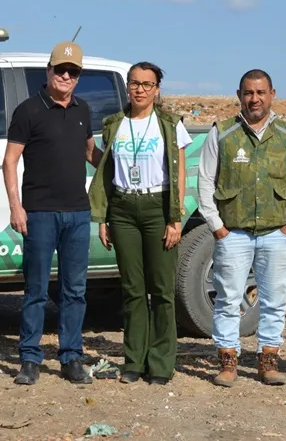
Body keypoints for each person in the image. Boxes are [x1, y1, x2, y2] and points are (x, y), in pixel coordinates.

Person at [197, 69, 286, 388]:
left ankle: (267, 363)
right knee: (228, 299)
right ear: (239, 95)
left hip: (277, 233)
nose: (255, 99)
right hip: (233, 233)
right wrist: (218, 226)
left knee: (274, 301)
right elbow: (205, 182)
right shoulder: (222, 133)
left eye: (261, 92)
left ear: (272, 94)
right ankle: (228, 363)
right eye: (248, 93)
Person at [3, 41, 103, 385]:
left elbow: (92, 153)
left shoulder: (83, 110)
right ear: (48, 71)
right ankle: (30, 358)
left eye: (73, 72)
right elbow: (10, 161)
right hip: (40, 213)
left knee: (75, 290)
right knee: (36, 290)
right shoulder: (29, 110)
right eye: (60, 69)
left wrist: (123, 166)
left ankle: (71, 357)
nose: (65, 76)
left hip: (77, 213)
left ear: (78, 77)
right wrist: (17, 207)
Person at [88, 62, 191, 385]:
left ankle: (160, 363)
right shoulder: (114, 124)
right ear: (127, 87)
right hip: (123, 208)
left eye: (147, 84)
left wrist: (175, 218)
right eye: (135, 83)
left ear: (157, 89)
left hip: (157, 206)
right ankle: (134, 360)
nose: (140, 90)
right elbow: (106, 170)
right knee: (132, 289)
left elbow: (180, 174)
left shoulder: (170, 125)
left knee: (161, 289)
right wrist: (103, 217)